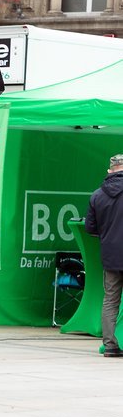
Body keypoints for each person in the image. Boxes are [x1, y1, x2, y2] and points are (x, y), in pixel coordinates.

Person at [85, 153, 123, 358]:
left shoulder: (97, 195)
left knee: (110, 300)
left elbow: (90, 228)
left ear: (110, 171)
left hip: (110, 257)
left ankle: (109, 345)